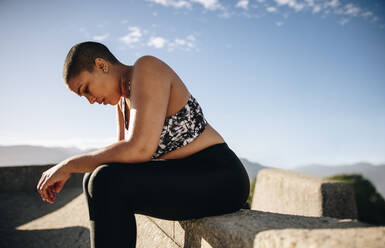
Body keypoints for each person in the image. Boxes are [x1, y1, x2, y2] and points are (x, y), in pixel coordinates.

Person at [37, 41, 250, 248]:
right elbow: (119, 160)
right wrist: (76, 168)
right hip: (183, 175)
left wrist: (67, 165)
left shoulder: (147, 67)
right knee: (92, 179)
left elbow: (139, 149)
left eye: (86, 89)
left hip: (219, 175)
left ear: (102, 65)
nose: (90, 100)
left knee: (104, 181)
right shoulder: (122, 104)